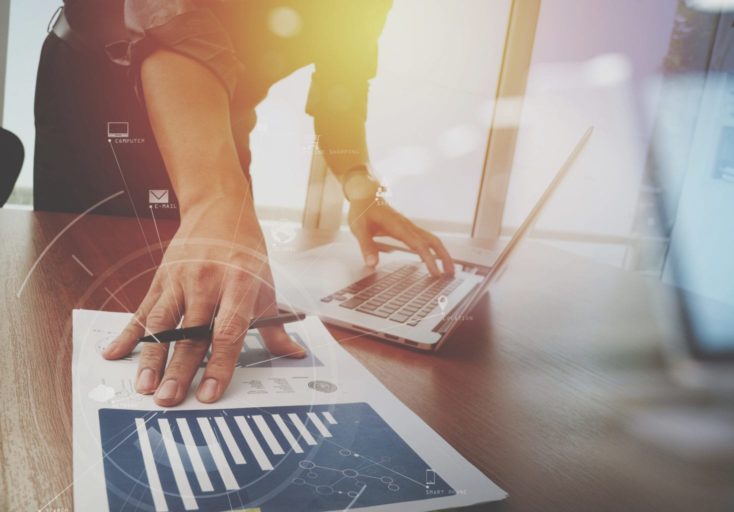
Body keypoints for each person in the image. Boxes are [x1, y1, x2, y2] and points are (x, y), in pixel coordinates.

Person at [35, 0, 454, 407]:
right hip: (97, 90)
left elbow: (341, 87)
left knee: (224, 271)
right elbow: (165, 12)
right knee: (84, 291)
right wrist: (212, 199)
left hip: (222, 111)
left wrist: (361, 185)